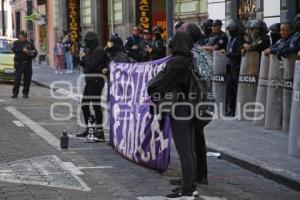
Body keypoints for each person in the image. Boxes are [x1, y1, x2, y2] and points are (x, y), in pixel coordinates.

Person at [148, 31, 197, 199]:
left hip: (180, 109)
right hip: (192, 107)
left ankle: (188, 190)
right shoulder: (191, 59)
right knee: (190, 149)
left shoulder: (178, 62)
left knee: (184, 150)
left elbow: (160, 84)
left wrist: (153, 86)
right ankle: (190, 185)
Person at [76, 32, 110, 141]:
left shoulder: (99, 51)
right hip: (89, 80)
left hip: (96, 81)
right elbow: (85, 65)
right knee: (85, 105)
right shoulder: (90, 51)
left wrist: (84, 58)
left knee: (96, 105)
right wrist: (81, 58)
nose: (85, 43)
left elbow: (92, 65)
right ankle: (89, 128)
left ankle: (100, 132)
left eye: (87, 40)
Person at [225, 19, 245, 116]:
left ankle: (236, 110)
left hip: (236, 66)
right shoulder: (231, 39)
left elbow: (238, 54)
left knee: (235, 88)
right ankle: (231, 109)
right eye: (229, 28)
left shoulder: (239, 39)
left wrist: (228, 54)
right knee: (229, 89)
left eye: (231, 28)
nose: (229, 30)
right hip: (230, 66)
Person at [11, 31, 38, 99]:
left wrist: (30, 53)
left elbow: (35, 52)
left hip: (28, 64)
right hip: (19, 64)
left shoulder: (29, 44)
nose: (24, 38)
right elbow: (14, 50)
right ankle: (15, 93)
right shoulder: (16, 43)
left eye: (25, 37)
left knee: (27, 80)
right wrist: (22, 50)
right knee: (17, 79)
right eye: (23, 36)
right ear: (20, 36)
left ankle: (25, 93)